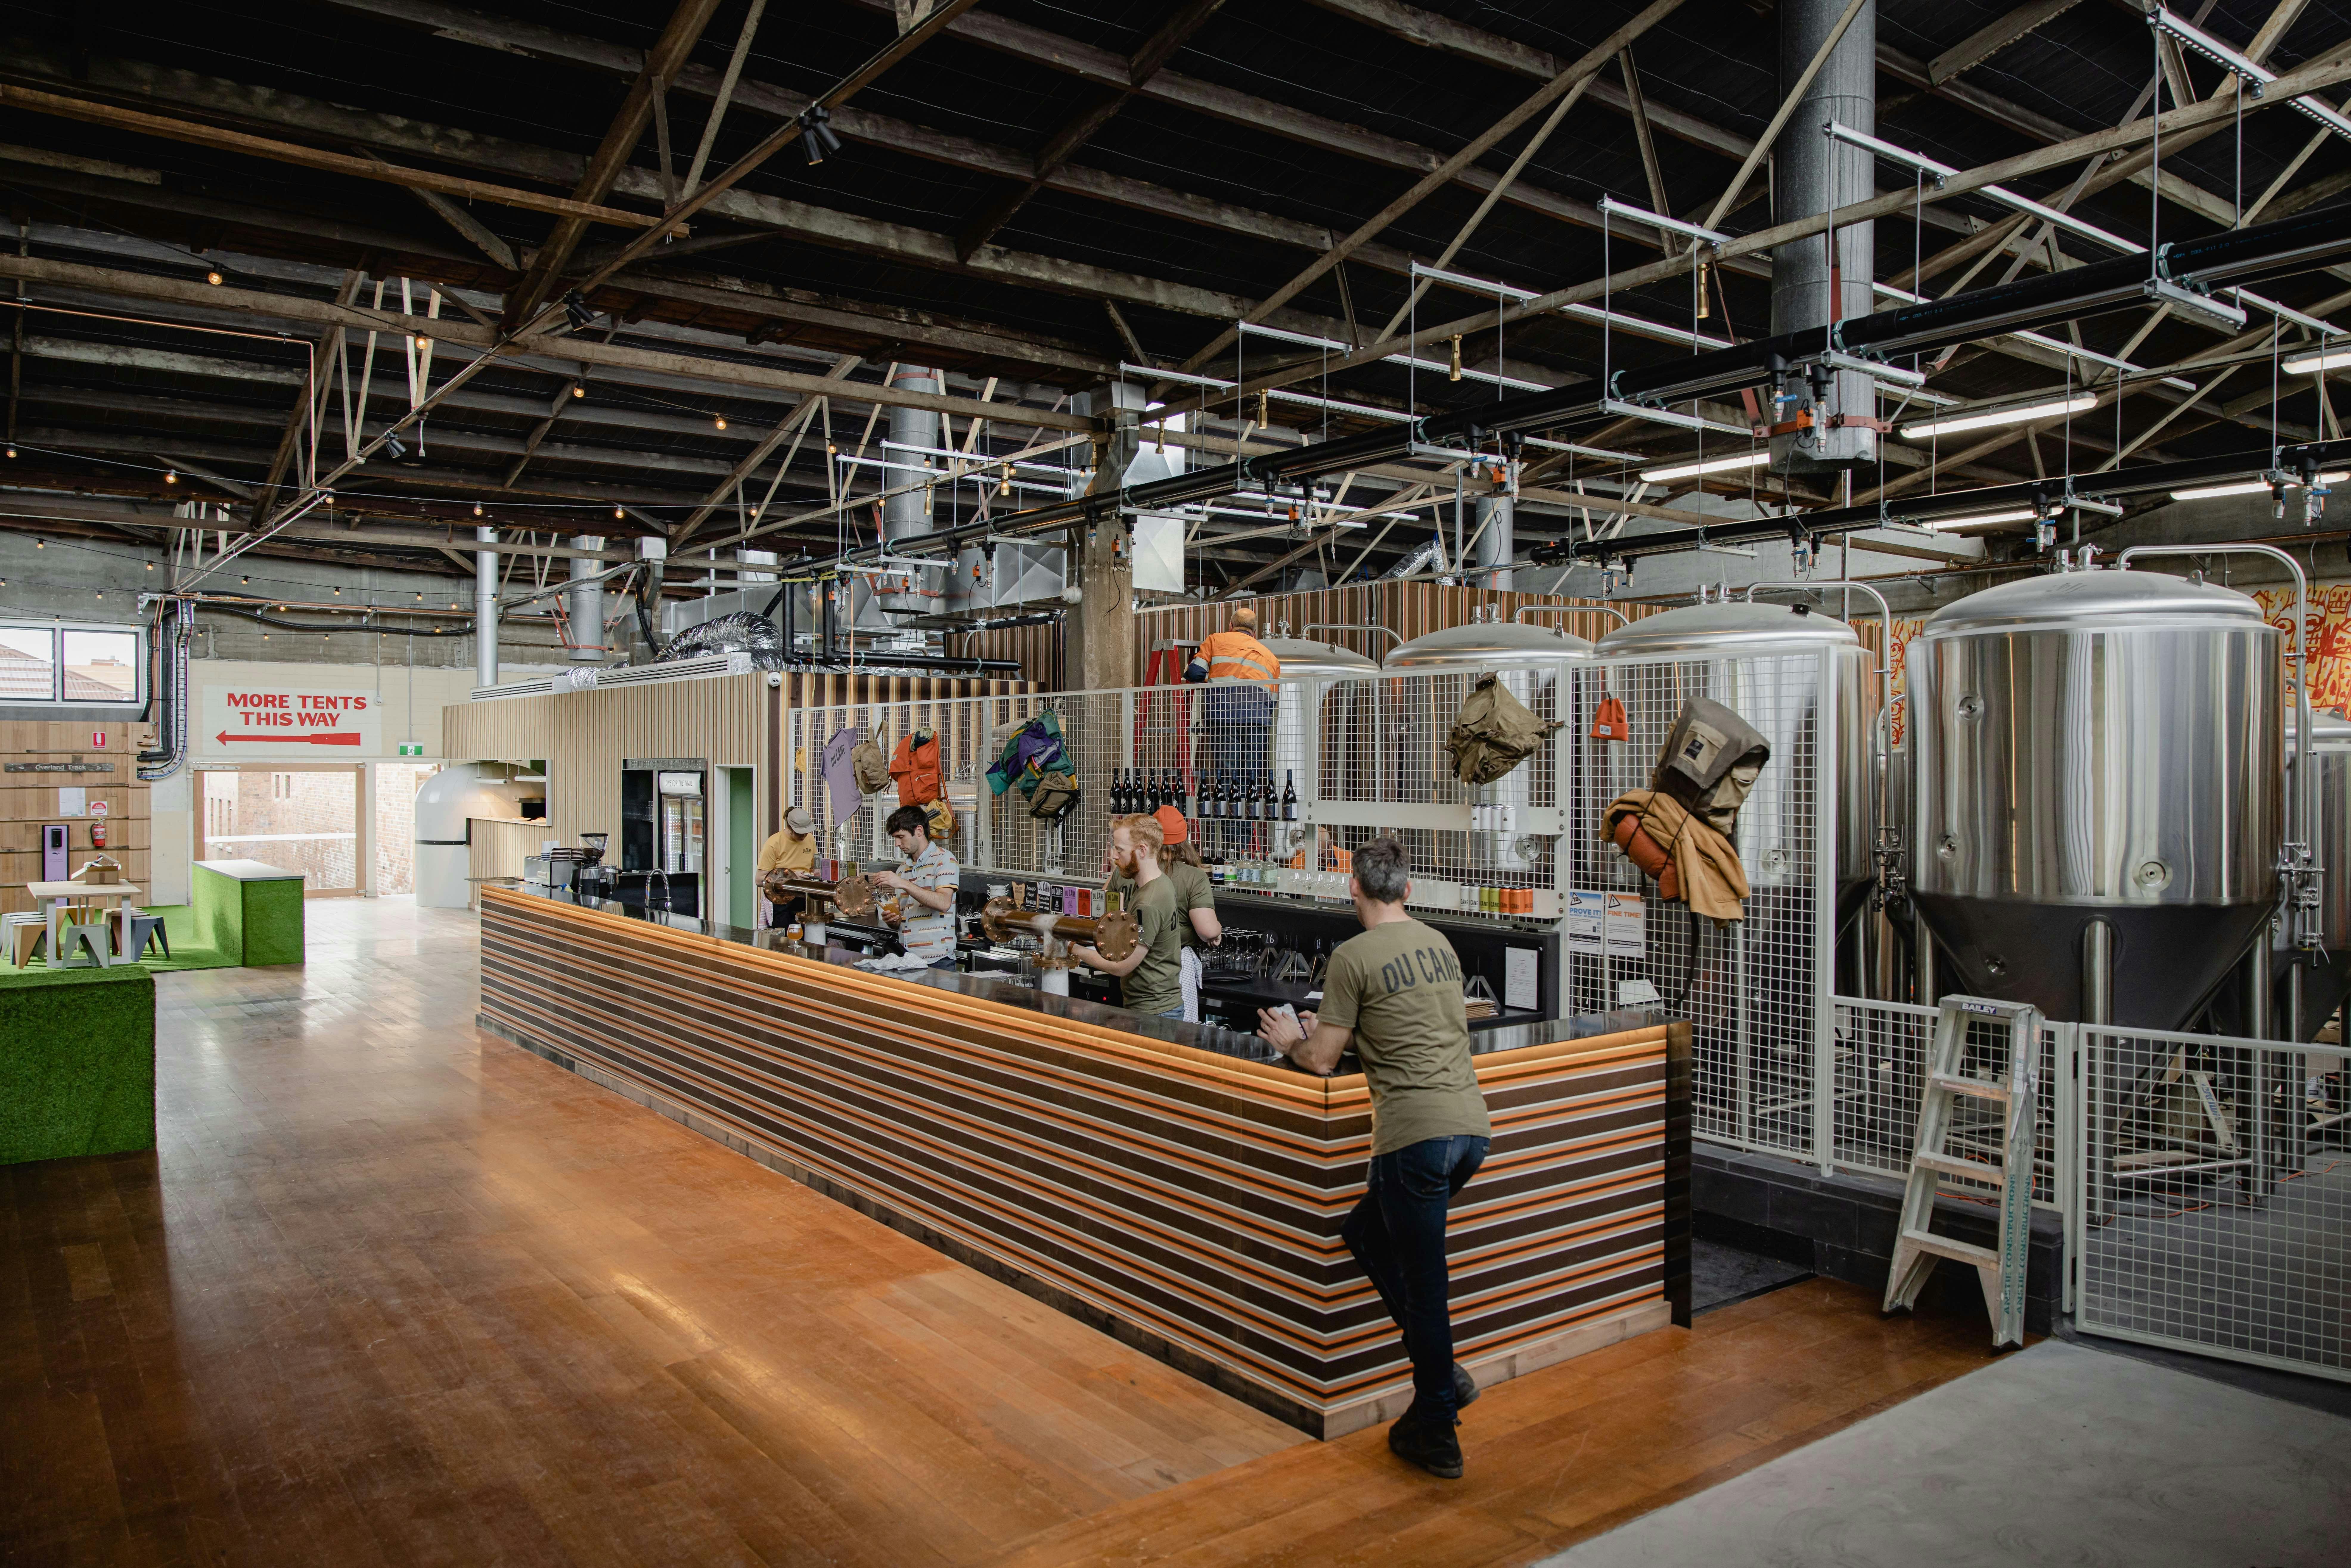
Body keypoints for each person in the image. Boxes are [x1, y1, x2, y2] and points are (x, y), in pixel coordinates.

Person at [1255, 836, 1492, 1481]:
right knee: (1364, 1232)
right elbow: (1415, 1021)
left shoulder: (1353, 958)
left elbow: (1324, 1059)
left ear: (1352, 889)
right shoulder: (1438, 944)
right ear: (1407, 891)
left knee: (1425, 1290)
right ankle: (1441, 1376)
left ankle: (1437, 1425)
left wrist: (1288, 1041)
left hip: (1412, 1137)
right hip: (1470, 1130)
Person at [1105, 803, 1220, 1020]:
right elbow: (1207, 931)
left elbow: (1102, 908)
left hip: (1127, 969)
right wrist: (1218, 932)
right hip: (1164, 974)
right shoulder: (1192, 877)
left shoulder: (1125, 871)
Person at [1072, 814, 1185, 1020]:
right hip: (1154, 1007)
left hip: (1154, 1012)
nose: (1114, 856)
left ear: (1142, 851)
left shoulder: (1148, 903)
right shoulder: (1160, 883)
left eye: (1120, 850)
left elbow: (1122, 967)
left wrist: (1071, 948)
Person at [1188, 607, 1281, 830]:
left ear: (1230, 626)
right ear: (1255, 632)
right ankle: (1244, 840)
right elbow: (1274, 700)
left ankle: (1230, 840)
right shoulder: (1270, 657)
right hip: (1258, 721)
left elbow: (1194, 674)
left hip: (1223, 717)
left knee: (1228, 775)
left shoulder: (1215, 641)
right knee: (1250, 778)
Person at [869, 804, 961, 968]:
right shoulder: (903, 869)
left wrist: (902, 883)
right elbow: (899, 921)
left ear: (919, 831)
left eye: (901, 837)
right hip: (907, 960)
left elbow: (943, 903)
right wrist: (893, 920)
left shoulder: (944, 860)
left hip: (938, 962)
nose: (897, 844)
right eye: (894, 838)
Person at [756, 805, 817, 928]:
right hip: (781, 899)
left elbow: (814, 867)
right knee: (783, 939)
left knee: (806, 937)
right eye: (799, 833)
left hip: (804, 896)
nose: (803, 836)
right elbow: (759, 880)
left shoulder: (810, 839)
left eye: (806, 832)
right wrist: (792, 876)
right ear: (789, 828)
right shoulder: (774, 843)